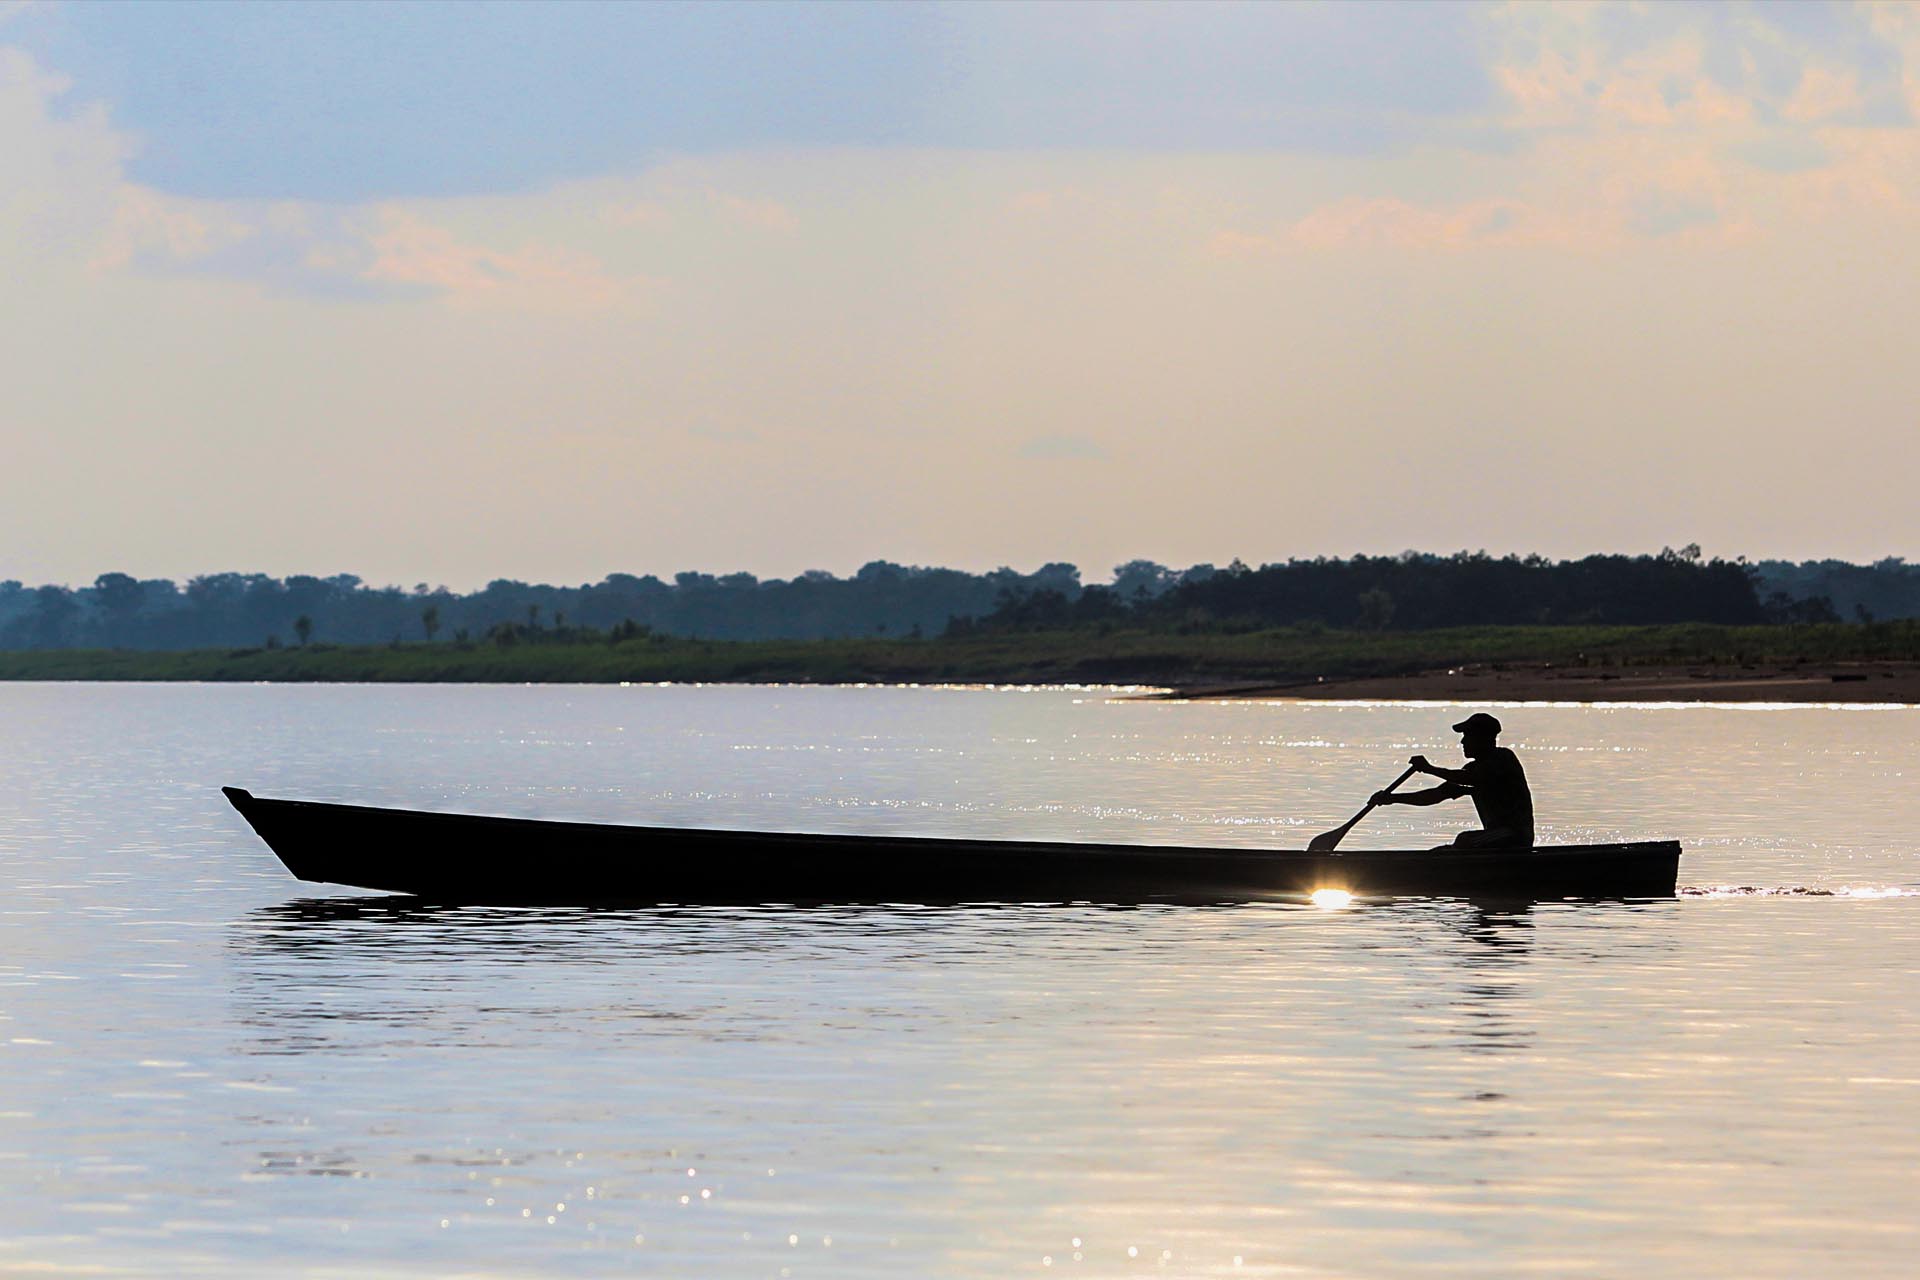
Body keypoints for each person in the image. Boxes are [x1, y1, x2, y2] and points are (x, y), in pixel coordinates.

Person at [1370, 713, 1534, 848]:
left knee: (1464, 840)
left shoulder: (1503, 759)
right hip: (1493, 840)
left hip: (1514, 836)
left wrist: (1429, 769)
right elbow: (1435, 795)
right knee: (1440, 852)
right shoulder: (1472, 768)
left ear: (1483, 738)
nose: (1462, 741)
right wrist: (1391, 799)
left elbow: (1471, 779)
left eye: (1467, 736)